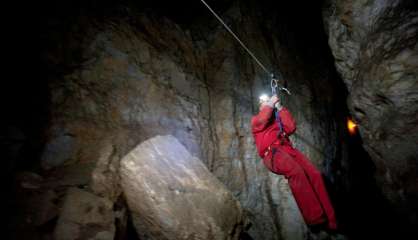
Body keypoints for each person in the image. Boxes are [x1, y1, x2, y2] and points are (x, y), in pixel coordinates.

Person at [251, 95, 337, 230]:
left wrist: (279, 107)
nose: (266, 104)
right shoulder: (256, 121)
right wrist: (270, 103)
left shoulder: (276, 121)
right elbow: (262, 119)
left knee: (315, 174)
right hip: (272, 153)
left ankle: (331, 219)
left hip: (288, 149)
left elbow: (290, 127)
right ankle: (314, 219)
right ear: (260, 107)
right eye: (263, 103)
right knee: (296, 171)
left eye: (266, 102)